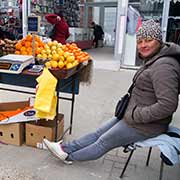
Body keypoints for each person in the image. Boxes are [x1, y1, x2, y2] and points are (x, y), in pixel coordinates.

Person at [43, 19, 180, 164]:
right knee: (98, 133)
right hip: (131, 115)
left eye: (149, 40)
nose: (143, 45)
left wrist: (136, 114)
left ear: (158, 40)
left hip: (145, 125)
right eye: (140, 41)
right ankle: (65, 148)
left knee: (103, 142)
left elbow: (167, 105)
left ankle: (68, 157)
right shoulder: (154, 58)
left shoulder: (164, 66)